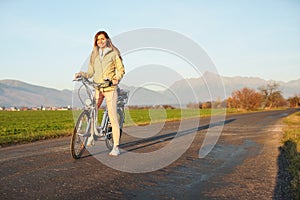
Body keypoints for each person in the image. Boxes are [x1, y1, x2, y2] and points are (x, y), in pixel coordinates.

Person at [75, 31, 125, 156]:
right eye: (98, 40)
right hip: (98, 87)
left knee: (113, 117)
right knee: (92, 111)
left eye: (102, 39)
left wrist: (116, 79)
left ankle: (116, 146)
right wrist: (82, 74)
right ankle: (92, 135)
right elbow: (90, 72)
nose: (100, 41)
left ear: (107, 40)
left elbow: (121, 69)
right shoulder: (94, 55)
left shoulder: (113, 53)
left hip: (110, 89)